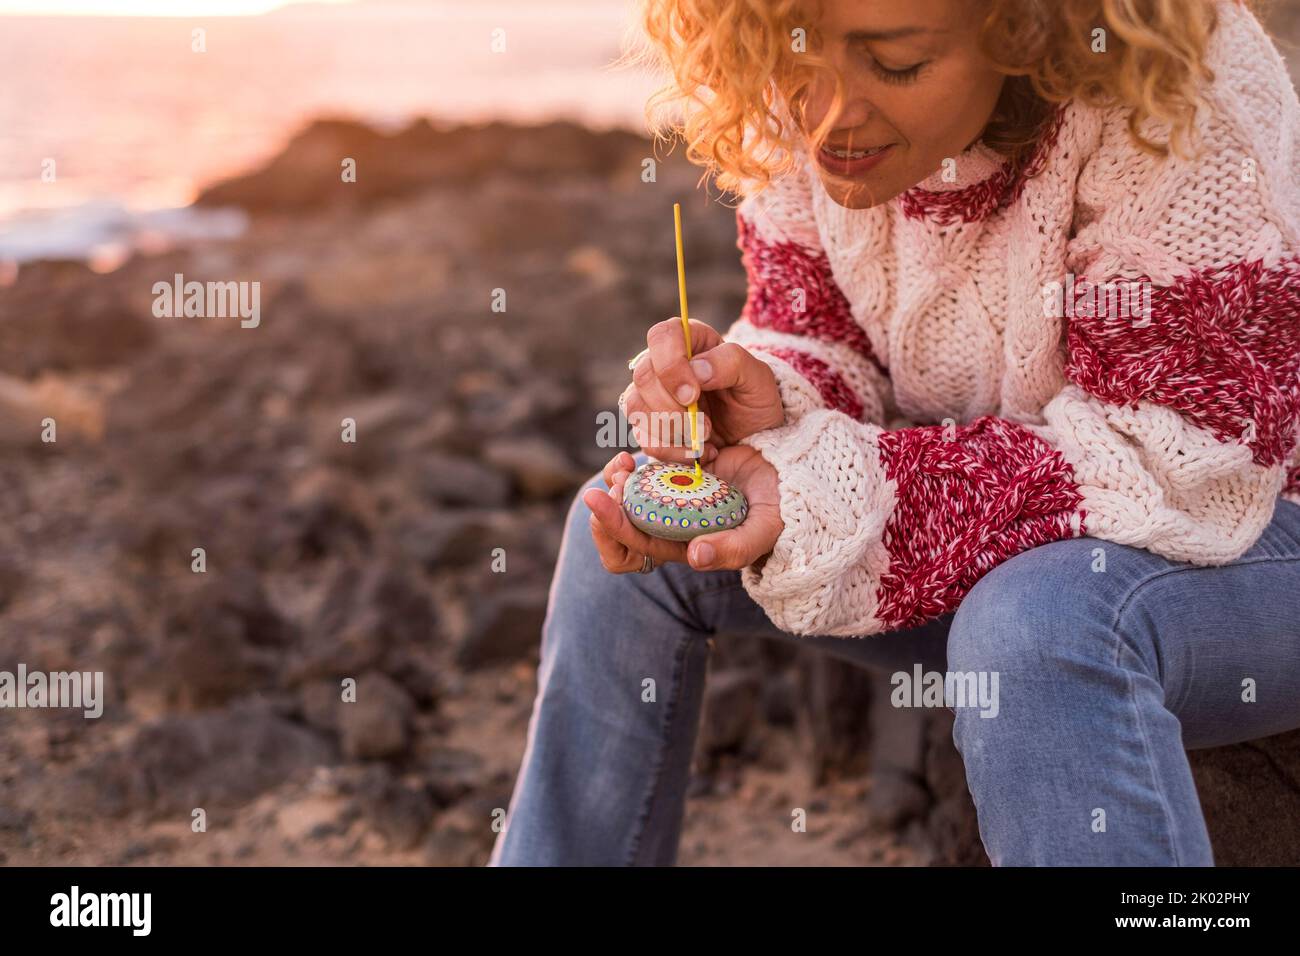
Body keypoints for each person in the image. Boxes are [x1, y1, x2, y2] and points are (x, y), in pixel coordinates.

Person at [490, 0, 1300, 865]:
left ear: (1026, 26)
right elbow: (825, 334)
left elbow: (1185, 459)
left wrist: (836, 485)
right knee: (623, 520)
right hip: (1019, 525)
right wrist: (763, 405)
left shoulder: (1176, 99)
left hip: (1249, 524)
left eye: (897, 63)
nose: (826, 112)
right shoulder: (802, 85)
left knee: (1036, 626)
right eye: (793, 55)